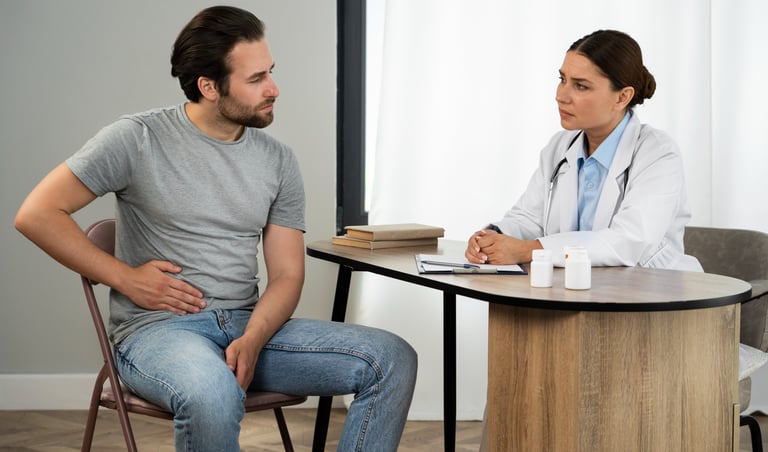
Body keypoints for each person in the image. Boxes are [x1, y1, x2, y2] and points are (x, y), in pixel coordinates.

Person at [14, 6, 416, 452]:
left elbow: (287, 275)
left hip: (250, 325)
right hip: (159, 332)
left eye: (271, 72)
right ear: (209, 86)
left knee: (391, 359)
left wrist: (254, 338)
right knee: (212, 392)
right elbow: (37, 213)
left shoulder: (278, 160)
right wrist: (125, 278)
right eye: (256, 78)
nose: (274, 89)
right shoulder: (137, 138)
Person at [465, 29, 702, 272]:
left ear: (622, 97)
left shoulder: (658, 153)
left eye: (580, 86)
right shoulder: (560, 147)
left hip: (653, 289)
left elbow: (629, 241)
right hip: (578, 287)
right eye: (562, 79)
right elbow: (528, 218)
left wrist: (529, 250)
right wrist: (492, 238)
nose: (561, 96)